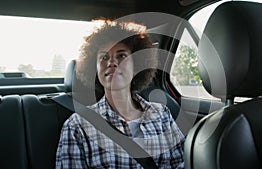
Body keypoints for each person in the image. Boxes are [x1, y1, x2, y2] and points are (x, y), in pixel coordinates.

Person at [55, 20, 185, 169]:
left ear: (136, 65)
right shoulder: (78, 125)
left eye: (121, 56)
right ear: (95, 70)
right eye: (104, 57)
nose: (111, 62)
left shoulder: (162, 114)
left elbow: (181, 163)